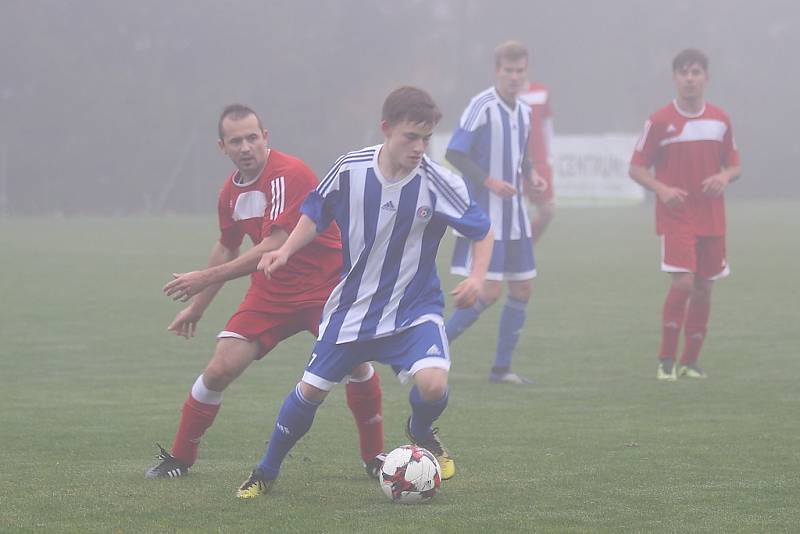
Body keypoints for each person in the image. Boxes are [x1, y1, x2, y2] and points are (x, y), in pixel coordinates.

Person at [235, 86, 493, 499]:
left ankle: (421, 430)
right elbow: (315, 213)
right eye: (411, 136)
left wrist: (478, 276)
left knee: (432, 385)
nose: (420, 147)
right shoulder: (350, 168)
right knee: (310, 392)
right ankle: (265, 471)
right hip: (352, 309)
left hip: (413, 309)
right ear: (386, 129)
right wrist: (284, 249)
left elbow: (482, 230)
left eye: (427, 138)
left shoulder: (439, 183)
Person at [145, 104, 385, 479]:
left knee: (355, 362)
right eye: (236, 140)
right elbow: (227, 247)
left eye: (252, 138)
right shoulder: (229, 194)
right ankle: (180, 458)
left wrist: (204, 278)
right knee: (220, 368)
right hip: (272, 291)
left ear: (266, 137)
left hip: (327, 287)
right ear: (221, 146)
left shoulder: (288, 173)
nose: (246, 147)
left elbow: (273, 244)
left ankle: (375, 457)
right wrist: (197, 307)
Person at [629, 49, 741, 381]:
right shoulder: (660, 121)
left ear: (706, 77)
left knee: (705, 288)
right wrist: (661, 189)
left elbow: (735, 165)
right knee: (683, 284)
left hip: (712, 216)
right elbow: (636, 168)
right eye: (683, 72)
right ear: (675, 78)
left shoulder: (720, 120)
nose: (690, 78)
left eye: (695, 72)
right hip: (676, 215)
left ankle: (690, 363)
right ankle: (665, 361)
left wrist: (723, 177)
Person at [444, 41, 546, 385]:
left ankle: (501, 370)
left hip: (515, 215)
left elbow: (522, 154)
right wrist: (489, 181)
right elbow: (455, 153)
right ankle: (431, 350)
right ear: (497, 70)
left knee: (523, 290)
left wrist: (531, 174)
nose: (514, 77)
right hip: (485, 215)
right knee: (486, 293)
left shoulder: (526, 110)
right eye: (508, 70)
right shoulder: (482, 105)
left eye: (520, 71)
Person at [519, 79, 555, 241]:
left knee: (547, 211)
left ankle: (525, 250)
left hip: (539, 162)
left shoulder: (541, 92)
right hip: (515, 163)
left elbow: (547, 125)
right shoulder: (500, 95)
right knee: (516, 216)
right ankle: (516, 257)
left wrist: (549, 156)